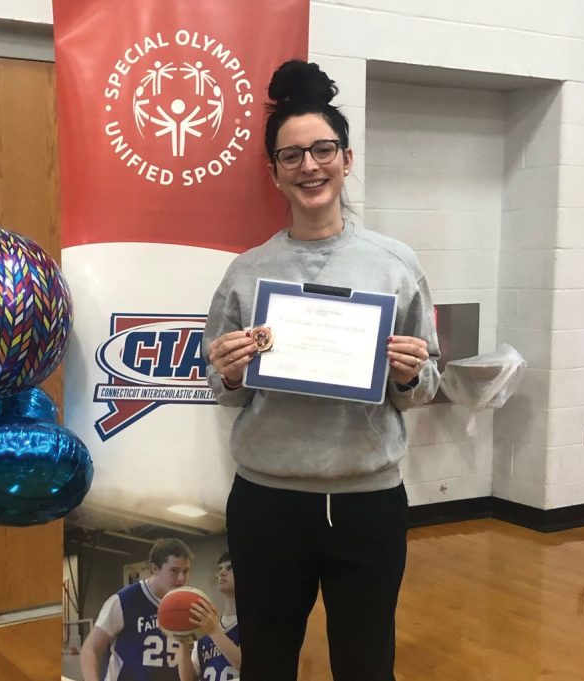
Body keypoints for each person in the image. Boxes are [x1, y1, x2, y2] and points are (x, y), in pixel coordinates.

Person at [202, 60, 440, 681]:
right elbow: (221, 391)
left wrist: (412, 375)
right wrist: (226, 373)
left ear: (346, 158)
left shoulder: (395, 265)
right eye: (292, 156)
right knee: (268, 664)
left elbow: (426, 386)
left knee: (366, 666)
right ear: (274, 173)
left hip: (368, 502)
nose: (310, 165)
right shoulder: (247, 271)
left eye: (323, 150)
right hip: (267, 501)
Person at [81, 538, 194, 681]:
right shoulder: (124, 600)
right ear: (154, 568)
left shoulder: (189, 604)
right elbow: (90, 648)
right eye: (174, 571)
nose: (181, 578)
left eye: (186, 571)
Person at [178, 552, 241, 681]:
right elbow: (188, 679)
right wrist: (182, 642)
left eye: (229, 568)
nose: (222, 573)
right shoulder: (206, 627)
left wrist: (214, 631)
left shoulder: (257, 626)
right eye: (220, 569)